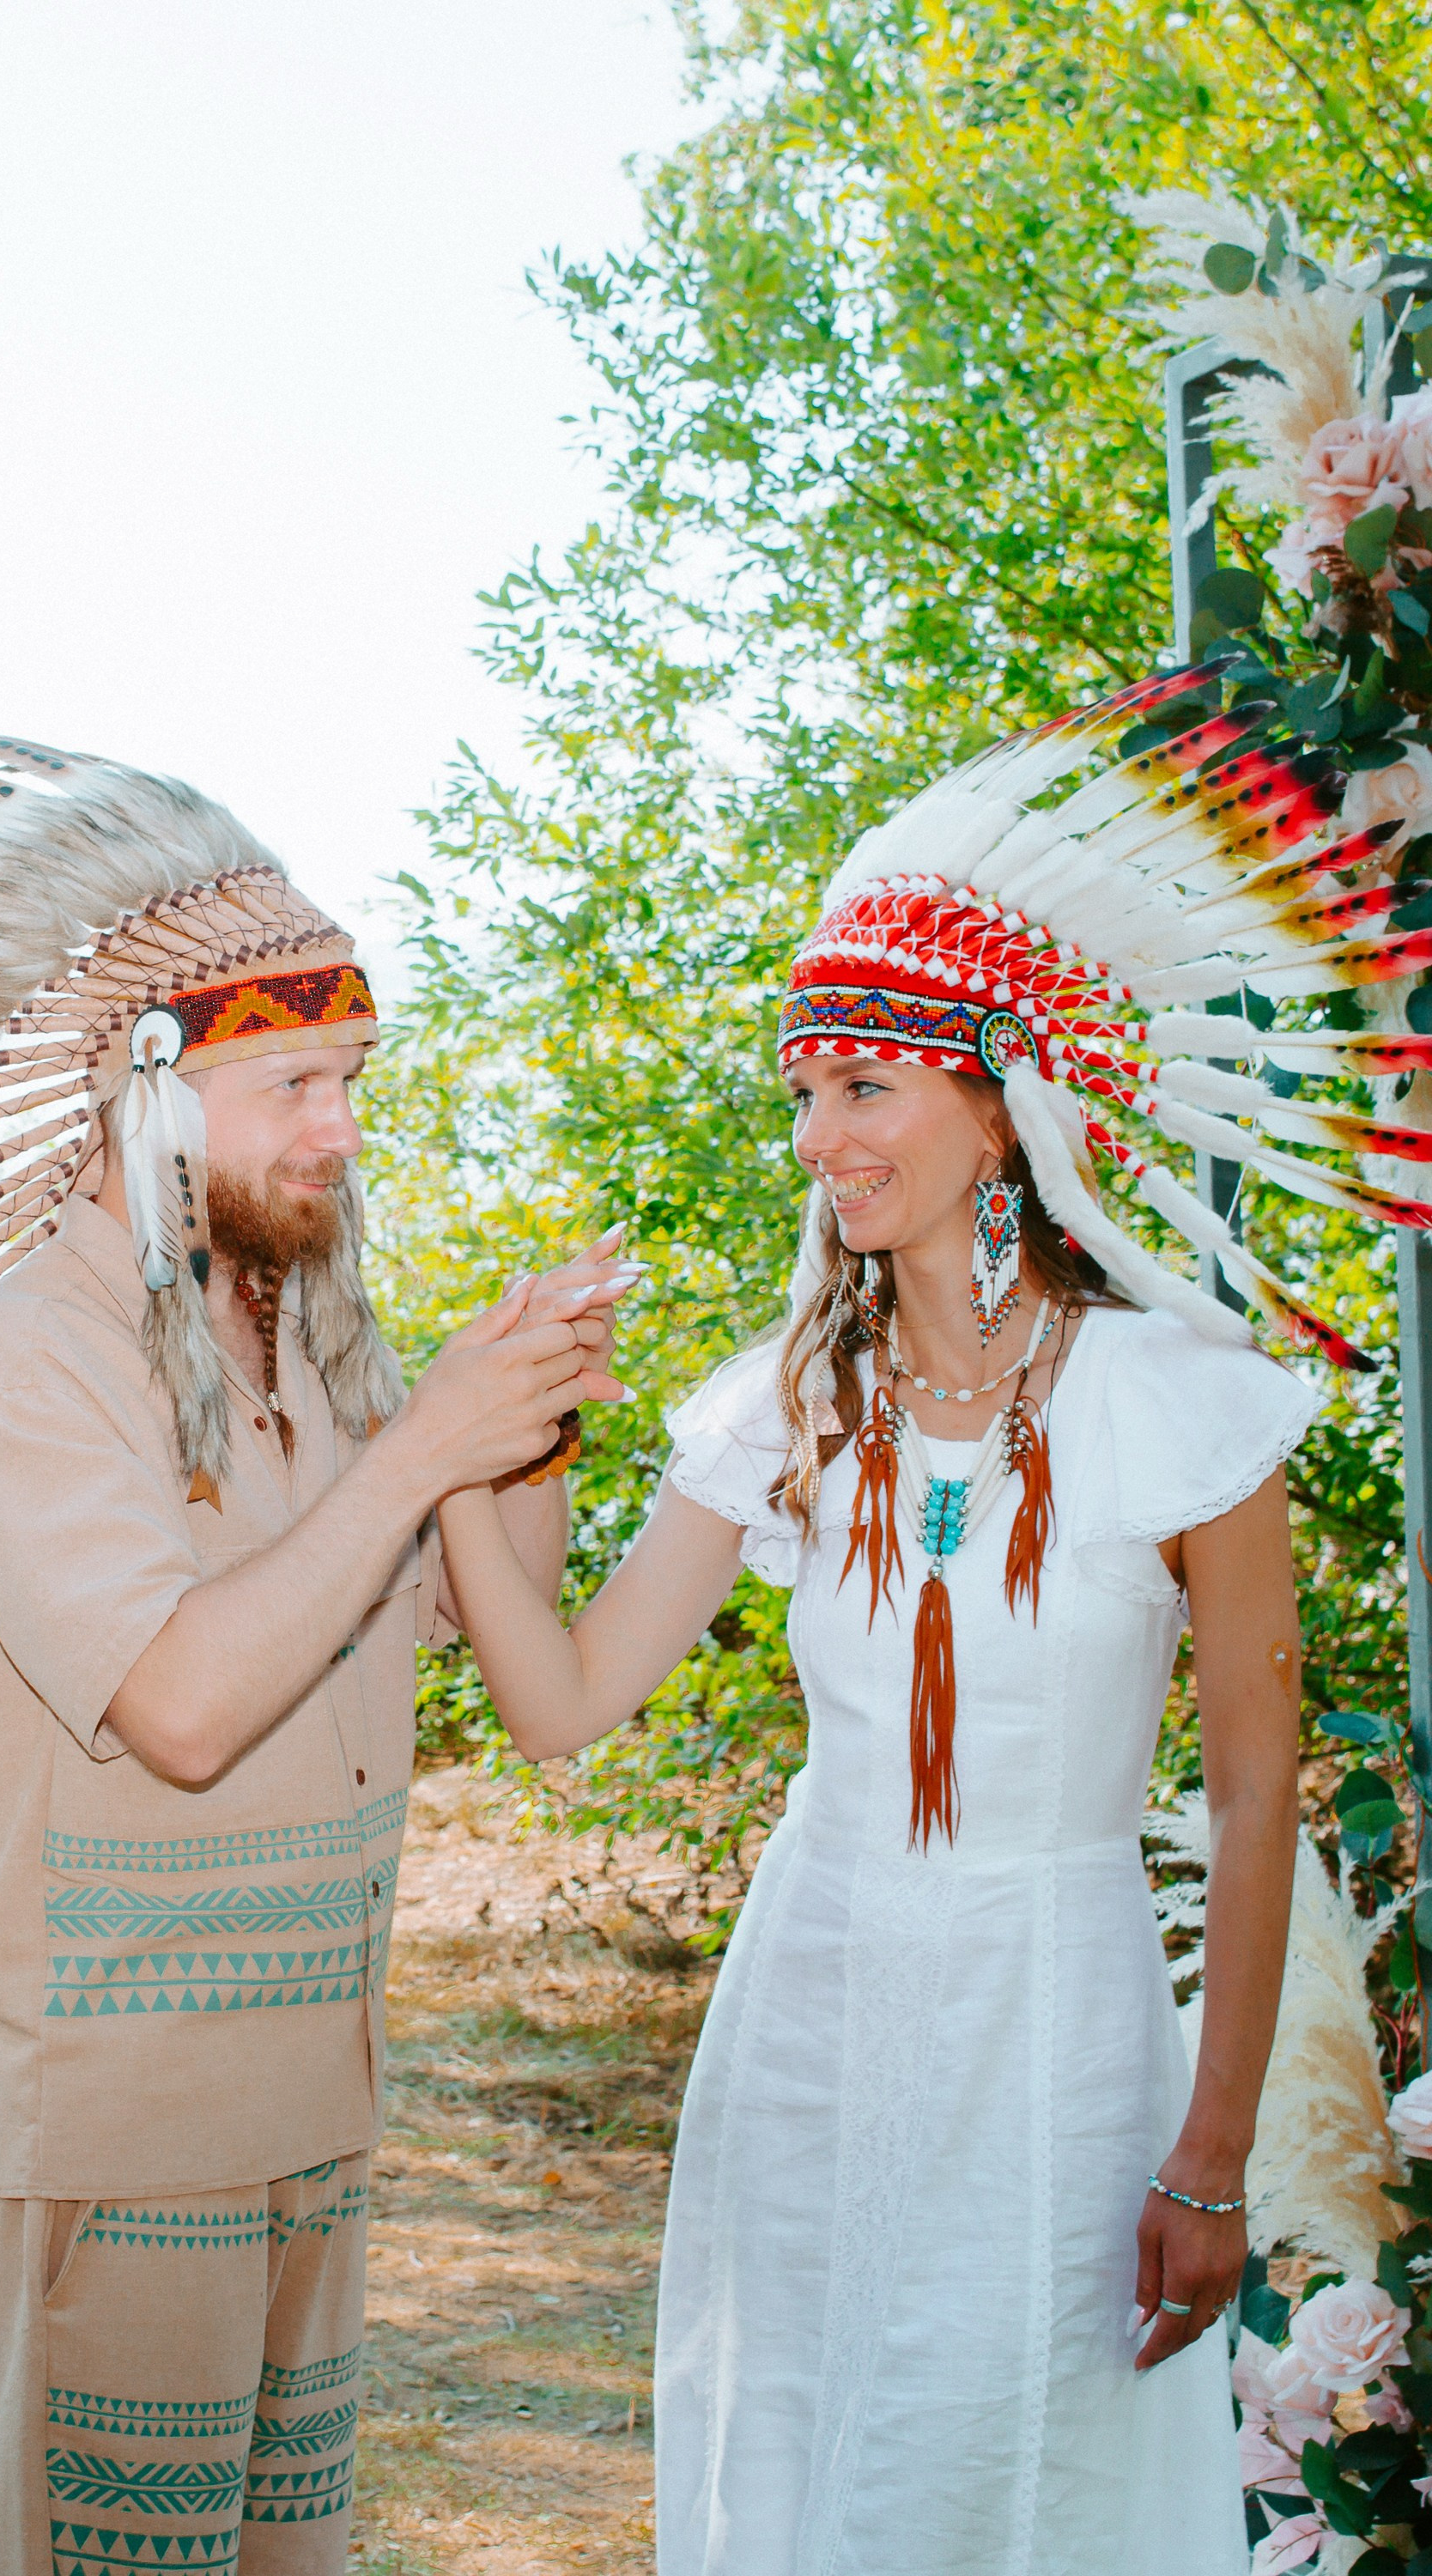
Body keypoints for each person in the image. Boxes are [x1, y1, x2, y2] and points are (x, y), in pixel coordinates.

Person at [435, 668, 1432, 2573]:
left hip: (1062, 2029)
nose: (820, 1134)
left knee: (1020, 2475)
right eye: (805, 1092)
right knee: (812, 2468)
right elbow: (563, 1704)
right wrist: (468, 1455)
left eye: (863, 1085)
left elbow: (1252, 1800)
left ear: (996, 1104)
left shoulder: (1181, 1410)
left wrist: (1213, 2154)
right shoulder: (780, 1409)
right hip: (810, 2012)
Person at [0, 735, 631, 2573]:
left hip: (315, 2103)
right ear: (144, 1093)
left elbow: (483, 1620)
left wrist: (519, 1431)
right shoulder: (29, 1362)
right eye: (292, 1081)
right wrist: (422, 1449)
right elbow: (188, 1709)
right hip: (127, 2133)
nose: (340, 1128)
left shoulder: (309, 1344)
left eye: (351, 1079)